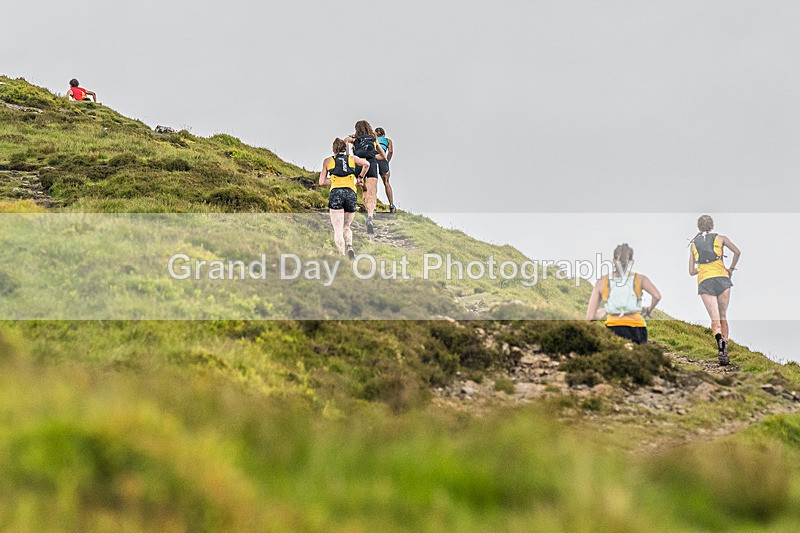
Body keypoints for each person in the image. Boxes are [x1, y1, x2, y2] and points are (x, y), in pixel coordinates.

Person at [688, 215, 741, 365]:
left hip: (705, 281)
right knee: (723, 315)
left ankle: (719, 345)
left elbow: (691, 271)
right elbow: (737, 252)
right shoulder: (721, 238)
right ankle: (725, 349)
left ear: (699, 227)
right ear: (712, 225)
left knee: (714, 319)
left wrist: (704, 267)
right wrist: (730, 268)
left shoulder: (693, 245)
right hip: (722, 279)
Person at [586, 243, 661, 344]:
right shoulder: (640, 279)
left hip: (614, 328)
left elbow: (590, 317)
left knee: (619, 358)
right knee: (639, 358)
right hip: (639, 329)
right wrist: (649, 310)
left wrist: (605, 310)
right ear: (630, 262)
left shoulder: (601, 282)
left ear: (613, 261)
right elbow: (656, 296)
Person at [319, 138, 370, 258]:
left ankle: (341, 254)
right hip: (350, 193)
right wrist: (360, 177)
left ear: (333, 149)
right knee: (346, 226)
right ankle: (350, 247)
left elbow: (321, 182)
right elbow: (367, 164)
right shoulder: (351, 159)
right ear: (344, 148)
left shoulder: (327, 161)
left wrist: (333, 180)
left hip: (336, 193)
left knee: (337, 229)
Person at [345, 120, 387, 235]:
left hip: (359, 164)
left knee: (364, 191)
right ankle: (370, 216)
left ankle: (366, 209)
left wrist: (349, 155)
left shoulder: (355, 139)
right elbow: (383, 156)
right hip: (372, 164)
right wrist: (373, 157)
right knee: (372, 193)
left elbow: (346, 144)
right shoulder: (373, 139)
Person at [375, 127, 395, 213]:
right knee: (386, 182)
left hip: (374, 159)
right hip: (383, 161)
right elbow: (390, 152)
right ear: (384, 134)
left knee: (372, 182)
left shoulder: (373, 139)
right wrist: (387, 161)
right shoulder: (388, 140)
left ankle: (373, 205)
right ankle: (391, 205)